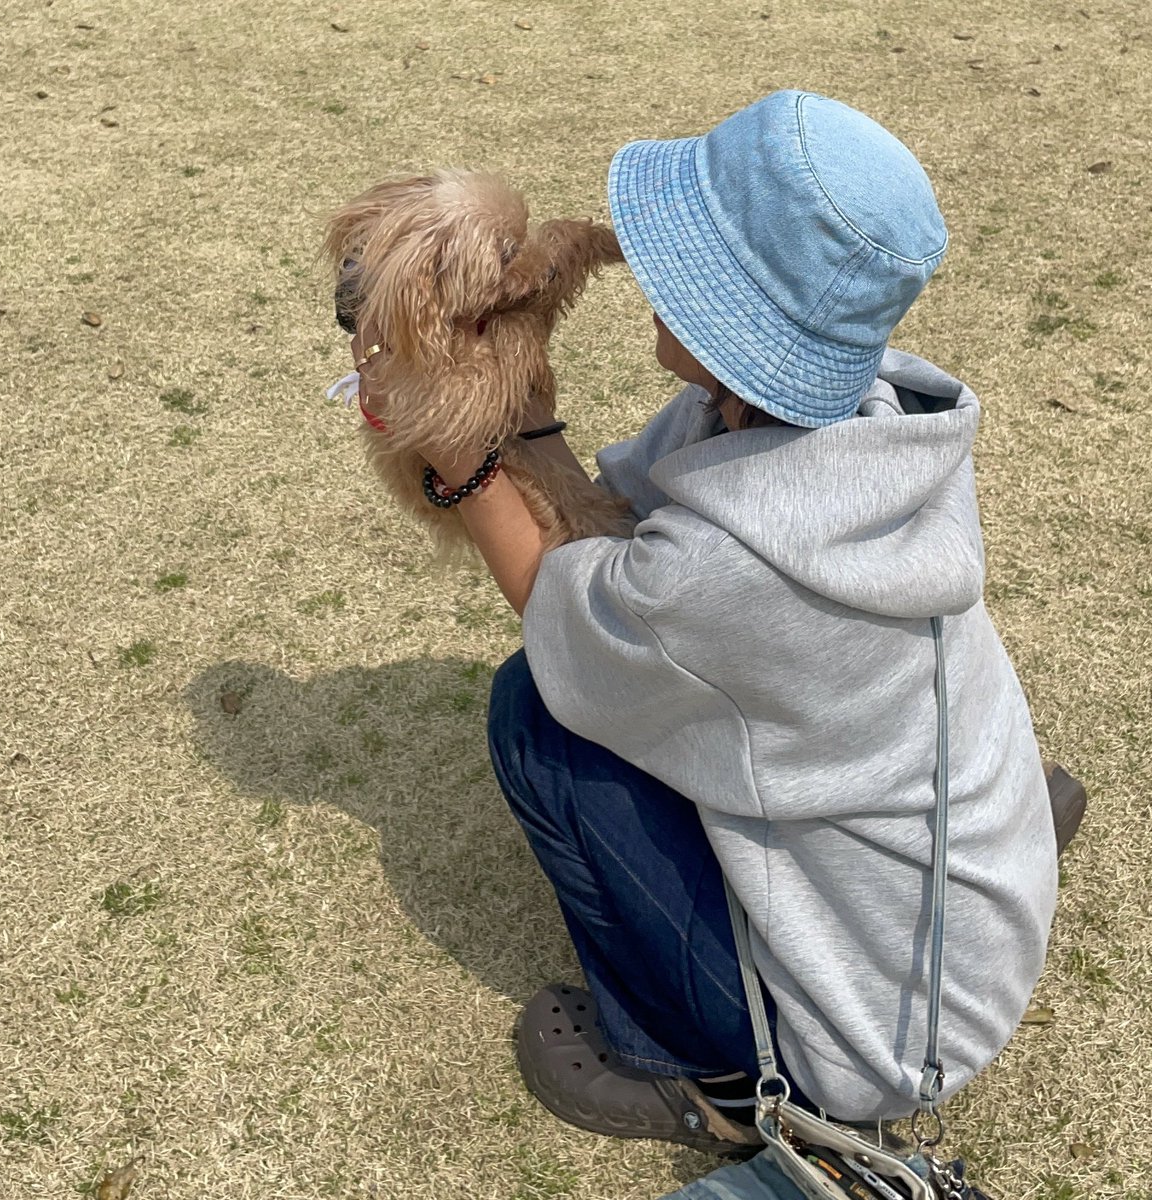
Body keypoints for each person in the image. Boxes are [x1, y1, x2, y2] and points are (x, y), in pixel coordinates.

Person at [349, 90, 1084, 1152]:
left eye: (684, 261)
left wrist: (459, 448)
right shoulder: (875, 417)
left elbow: (562, 612)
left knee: (538, 720)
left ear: (732, 317)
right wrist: (530, 416)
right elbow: (618, 528)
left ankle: (699, 1078)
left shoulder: (727, 571)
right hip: (967, 904)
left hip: (881, 1036)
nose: (646, 268)